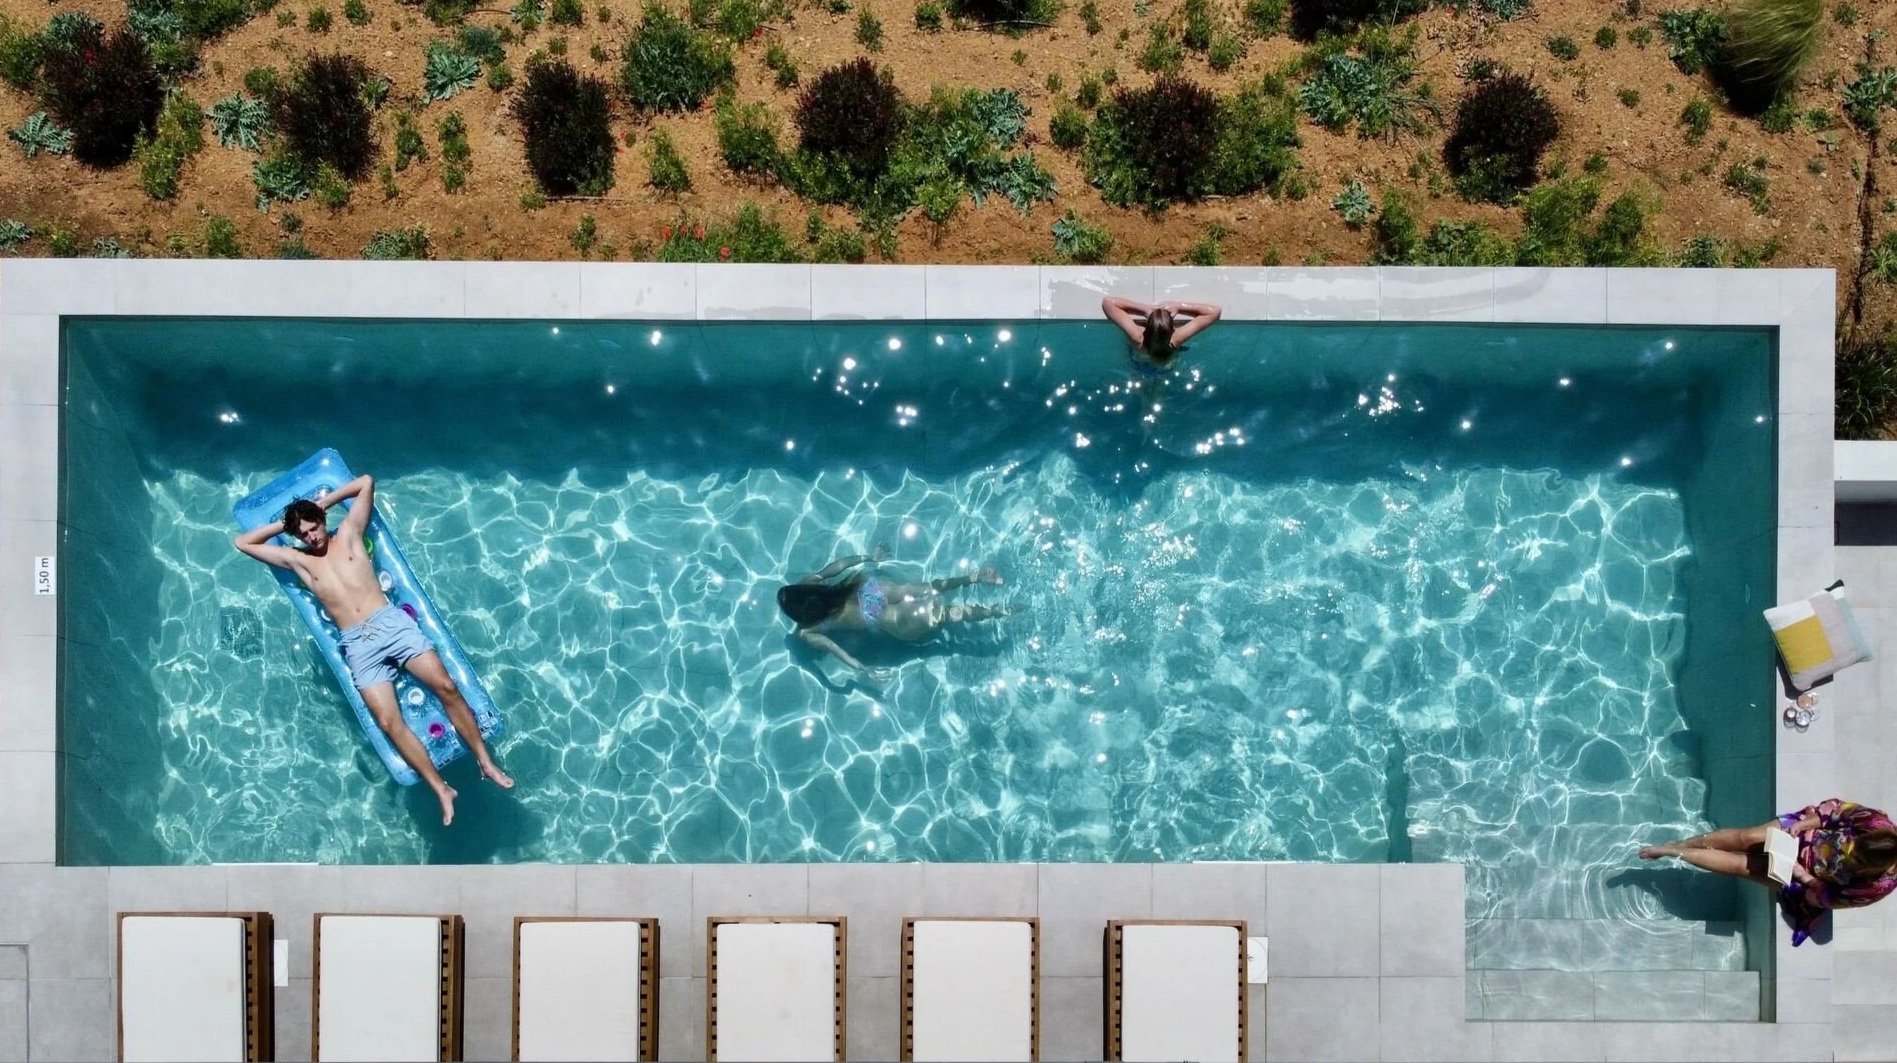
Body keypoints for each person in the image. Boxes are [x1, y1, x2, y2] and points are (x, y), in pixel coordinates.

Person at [234, 473, 513, 826]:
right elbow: (244, 543)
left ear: (322, 520)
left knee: (446, 687)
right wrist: (285, 522)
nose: (311, 536)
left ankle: (484, 761)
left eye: (313, 528)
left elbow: (365, 482)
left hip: (390, 624)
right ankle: (441, 789)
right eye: (303, 534)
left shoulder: (349, 534)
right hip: (357, 644)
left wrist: (321, 503)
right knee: (387, 721)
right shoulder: (297, 560)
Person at [1640, 798, 1897, 945]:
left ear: (1876, 866)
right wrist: (1803, 825)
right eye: (1853, 845)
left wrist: (1802, 876)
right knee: (1746, 837)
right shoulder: (1876, 825)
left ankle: (1673, 853)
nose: (1849, 852)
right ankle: (1678, 845)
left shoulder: (1875, 887)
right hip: (1802, 835)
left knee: (1742, 865)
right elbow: (1837, 811)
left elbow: (1827, 898)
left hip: (1804, 874)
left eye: (1857, 857)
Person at [776, 544, 1006, 682]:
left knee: (947, 614)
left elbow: (835, 650)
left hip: (878, 617)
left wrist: (863, 669)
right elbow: (839, 566)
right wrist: (869, 557)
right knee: (930, 587)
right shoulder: (809, 583)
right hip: (870, 591)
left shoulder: (806, 632)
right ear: (802, 590)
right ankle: (974, 577)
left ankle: (999, 611)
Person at [1101, 295, 1223, 373]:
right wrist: (1179, 306)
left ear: (1147, 329)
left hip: (1139, 365)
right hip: (1165, 368)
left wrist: (1144, 309)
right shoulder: (1175, 340)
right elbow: (1215, 312)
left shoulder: (1137, 337)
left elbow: (1108, 303)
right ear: (1172, 330)